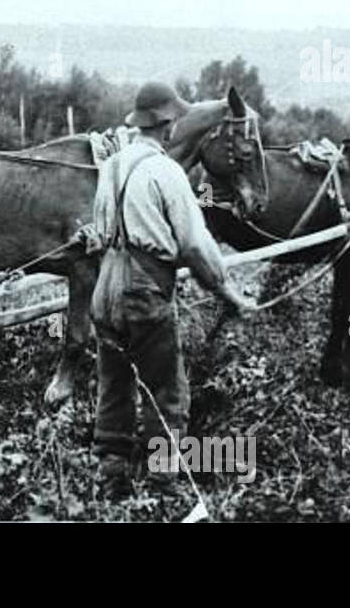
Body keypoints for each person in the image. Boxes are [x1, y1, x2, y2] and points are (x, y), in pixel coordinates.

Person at [87, 82, 256, 495]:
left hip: (105, 286)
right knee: (166, 388)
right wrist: (228, 292)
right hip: (144, 289)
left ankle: (112, 477)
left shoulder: (111, 166)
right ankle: (163, 485)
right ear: (168, 125)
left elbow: (100, 227)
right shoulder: (167, 172)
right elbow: (196, 245)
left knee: (114, 382)